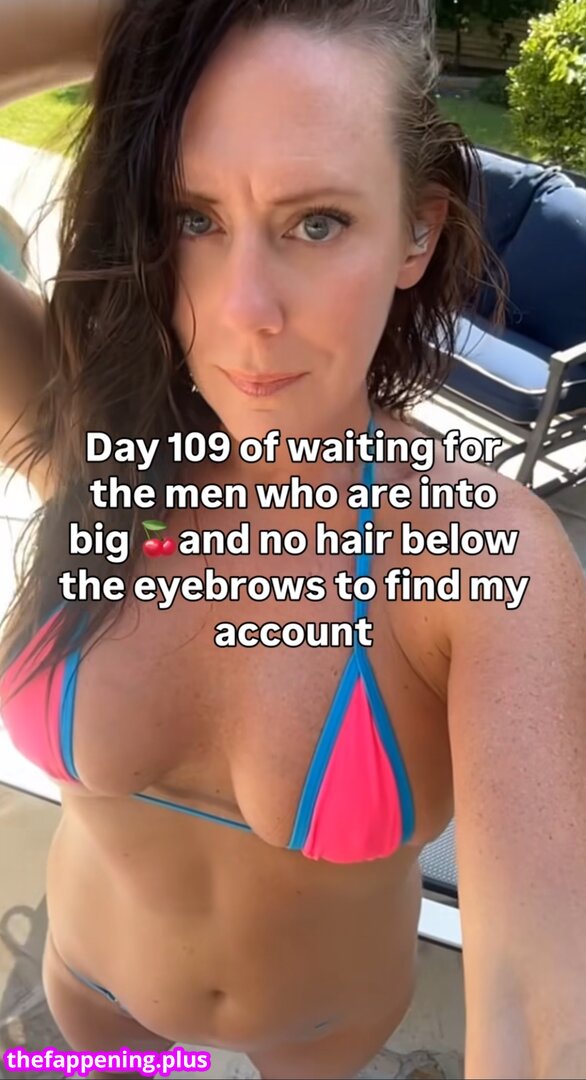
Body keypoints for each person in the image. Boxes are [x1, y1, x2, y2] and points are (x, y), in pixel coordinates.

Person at [0, 2, 585, 1078]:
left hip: (318, 1040)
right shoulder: (91, 443)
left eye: (316, 222)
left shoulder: (479, 557)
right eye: (192, 216)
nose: (246, 311)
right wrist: (138, 22)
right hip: (94, 999)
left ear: (417, 232)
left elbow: (545, 1013)